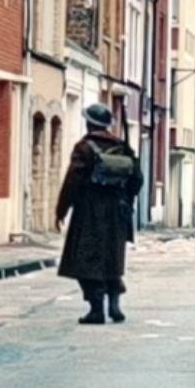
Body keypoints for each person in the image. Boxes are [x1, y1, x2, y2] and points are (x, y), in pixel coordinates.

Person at [56, 103, 144, 325]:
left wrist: (62, 209)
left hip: (89, 213)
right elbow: (138, 178)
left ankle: (96, 310)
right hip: (118, 213)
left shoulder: (84, 148)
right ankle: (114, 303)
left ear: (89, 124)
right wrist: (126, 199)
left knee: (84, 260)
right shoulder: (123, 147)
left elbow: (72, 180)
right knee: (112, 259)